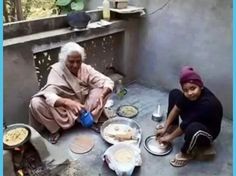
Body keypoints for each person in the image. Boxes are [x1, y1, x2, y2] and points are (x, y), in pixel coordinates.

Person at [29, 42, 114, 144]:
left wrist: (102, 95)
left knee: (102, 90)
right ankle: (55, 130)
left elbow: (108, 81)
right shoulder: (57, 70)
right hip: (64, 109)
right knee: (36, 103)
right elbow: (49, 95)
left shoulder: (85, 68)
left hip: (83, 107)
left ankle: (91, 120)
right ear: (64, 60)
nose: (75, 65)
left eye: (78, 61)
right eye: (71, 61)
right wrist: (68, 102)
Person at [156, 66, 223, 167]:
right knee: (175, 93)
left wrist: (169, 138)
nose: (190, 93)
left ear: (200, 86)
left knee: (192, 128)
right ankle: (173, 126)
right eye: (185, 90)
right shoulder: (188, 93)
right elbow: (176, 108)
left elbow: (186, 124)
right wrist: (166, 127)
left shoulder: (208, 104)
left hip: (206, 131)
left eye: (193, 88)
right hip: (194, 117)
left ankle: (187, 154)